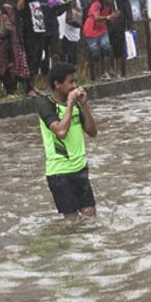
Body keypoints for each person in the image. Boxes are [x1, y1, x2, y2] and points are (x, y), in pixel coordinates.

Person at [36, 62, 98, 217]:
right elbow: (61, 131)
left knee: (91, 216)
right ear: (57, 84)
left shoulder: (77, 105)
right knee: (72, 222)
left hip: (80, 169)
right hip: (60, 173)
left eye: (75, 81)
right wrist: (70, 104)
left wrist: (84, 106)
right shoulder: (46, 104)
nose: (75, 86)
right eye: (70, 82)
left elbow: (92, 132)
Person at [0, 0, 30, 98]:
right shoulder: (12, 10)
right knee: (15, 66)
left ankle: (9, 92)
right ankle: (19, 89)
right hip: (15, 42)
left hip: (2, 44)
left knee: (4, 67)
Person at [16, 0, 47, 96]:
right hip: (29, 34)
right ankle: (28, 88)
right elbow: (19, 8)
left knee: (37, 60)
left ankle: (34, 85)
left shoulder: (37, 0)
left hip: (39, 33)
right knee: (30, 60)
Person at [82, 0, 119, 81]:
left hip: (102, 30)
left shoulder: (110, 7)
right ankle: (97, 74)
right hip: (91, 30)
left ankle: (108, 70)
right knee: (95, 53)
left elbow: (110, 19)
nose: (111, 0)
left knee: (107, 48)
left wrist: (114, 17)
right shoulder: (97, 4)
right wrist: (108, 17)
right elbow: (96, 17)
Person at [107, 0, 134, 78]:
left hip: (119, 27)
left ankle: (119, 70)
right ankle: (111, 69)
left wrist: (129, 25)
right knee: (109, 49)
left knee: (120, 49)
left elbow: (128, 11)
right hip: (108, 26)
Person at [56, 0, 82, 67]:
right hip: (61, 31)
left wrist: (72, 5)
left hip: (72, 31)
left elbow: (78, 12)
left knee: (72, 55)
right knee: (61, 54)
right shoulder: (57, 0)